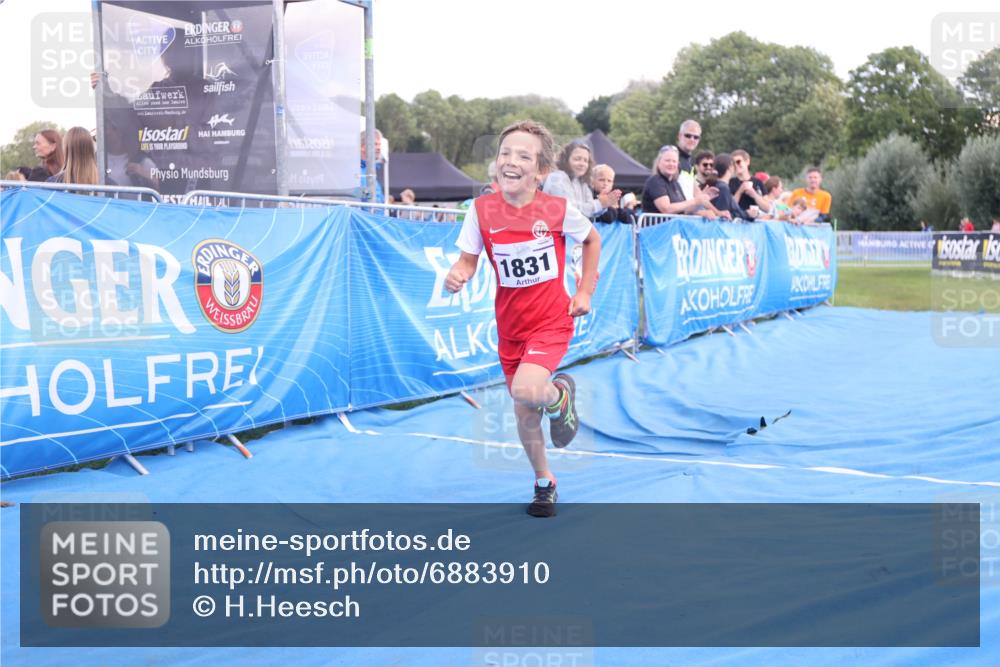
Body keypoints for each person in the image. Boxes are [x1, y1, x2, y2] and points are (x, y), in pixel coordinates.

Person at [445, 120, 600, 518]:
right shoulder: (480, 211)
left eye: (524, 156)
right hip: (510, 329)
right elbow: (468, 260)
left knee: (528, 391)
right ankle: (544, 482)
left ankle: (559, 395)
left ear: (541, 171)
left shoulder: (556, 209)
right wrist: (459, 274)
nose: (511, 162)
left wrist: (584, 290)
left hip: (551, 320)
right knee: (524, 411)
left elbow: (591, 240)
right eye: (505, 154)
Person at [543, 140, 620, 217]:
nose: (582, 164)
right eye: (577, 159)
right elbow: (567, 209)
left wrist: (605, 203)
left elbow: (591, 213)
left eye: (585, 160)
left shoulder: (582, 182)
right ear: (566, 159)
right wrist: (599, 204)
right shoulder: (557, 177)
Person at [641, 145, 718, 217]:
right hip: (656, 229)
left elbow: (685, 210)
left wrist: (701, 201)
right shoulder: (655, 181)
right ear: (659, 163)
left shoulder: (675, 183)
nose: (671, 164)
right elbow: (666, 209)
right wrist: (695, 201)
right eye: (667, 161)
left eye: (674, 161)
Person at [693, 151, 742, 220]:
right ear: (696, 166)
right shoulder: (721, 187)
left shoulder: (715, 184)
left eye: (711, 165)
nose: (709, 167)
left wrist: (717, 212)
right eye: (705, 164)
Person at [729, 149, 768, 218]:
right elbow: (729, 207)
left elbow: (767, 208)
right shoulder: (730, 182)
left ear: (747, 161)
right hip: (736, 222)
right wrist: (740, 191)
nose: (736, 165)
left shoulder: (758, 182)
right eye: (733, 163)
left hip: (755, 223)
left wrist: (754, 195)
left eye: (738, 162)